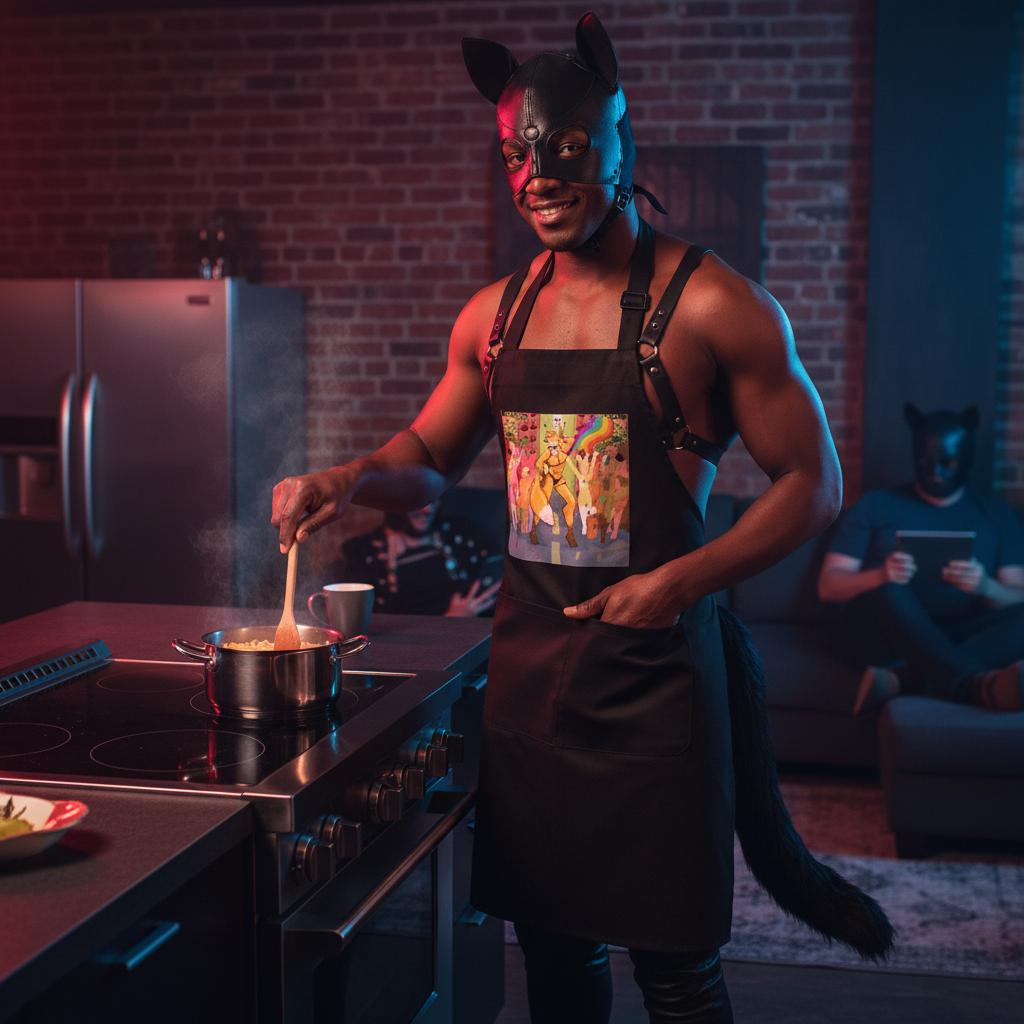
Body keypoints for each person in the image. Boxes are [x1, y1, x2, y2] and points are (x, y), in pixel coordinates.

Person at [273, 14, 891, 1022]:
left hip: (655, 688)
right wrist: (345, 476)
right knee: (554, 959)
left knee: (676, 970)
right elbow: (428, 462)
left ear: (615, 145)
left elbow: (811, 486)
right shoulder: (493, 316)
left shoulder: (713, 307)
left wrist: (677, 583)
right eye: (517, 156)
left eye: (564, 152)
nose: (538, 178)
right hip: (530, 688)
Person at [818, 404, 1024, 714]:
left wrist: (985, 587)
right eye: (926, 462)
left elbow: (1018, 596)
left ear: (965, 460)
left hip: (957, 629)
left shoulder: (997, 515)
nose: (936, 472)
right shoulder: (875, 505)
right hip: (880, 631)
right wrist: (881, 576)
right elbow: (829, 586)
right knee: (892, 593)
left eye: (947, 463)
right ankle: (973, 686)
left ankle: (906, 678)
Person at [313, 503, 501, 617]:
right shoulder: (365, 553)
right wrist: (453, 620)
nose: (427, 509)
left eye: (433, 499)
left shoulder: (460, 533)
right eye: (418, 502)